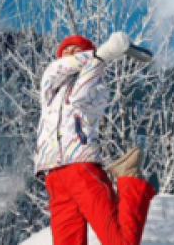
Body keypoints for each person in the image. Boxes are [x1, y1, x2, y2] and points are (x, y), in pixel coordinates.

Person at [34, 32, 156, 245]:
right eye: (67, 52)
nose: (70, 55)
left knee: (118, 242)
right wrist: (99, 54)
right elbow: (53, 70)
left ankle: (129, 176)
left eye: (77, 51)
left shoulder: (98, 88)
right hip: (54, 177)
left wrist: (100, 60)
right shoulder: (50, 90)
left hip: (82, 169)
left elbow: (81, 96)